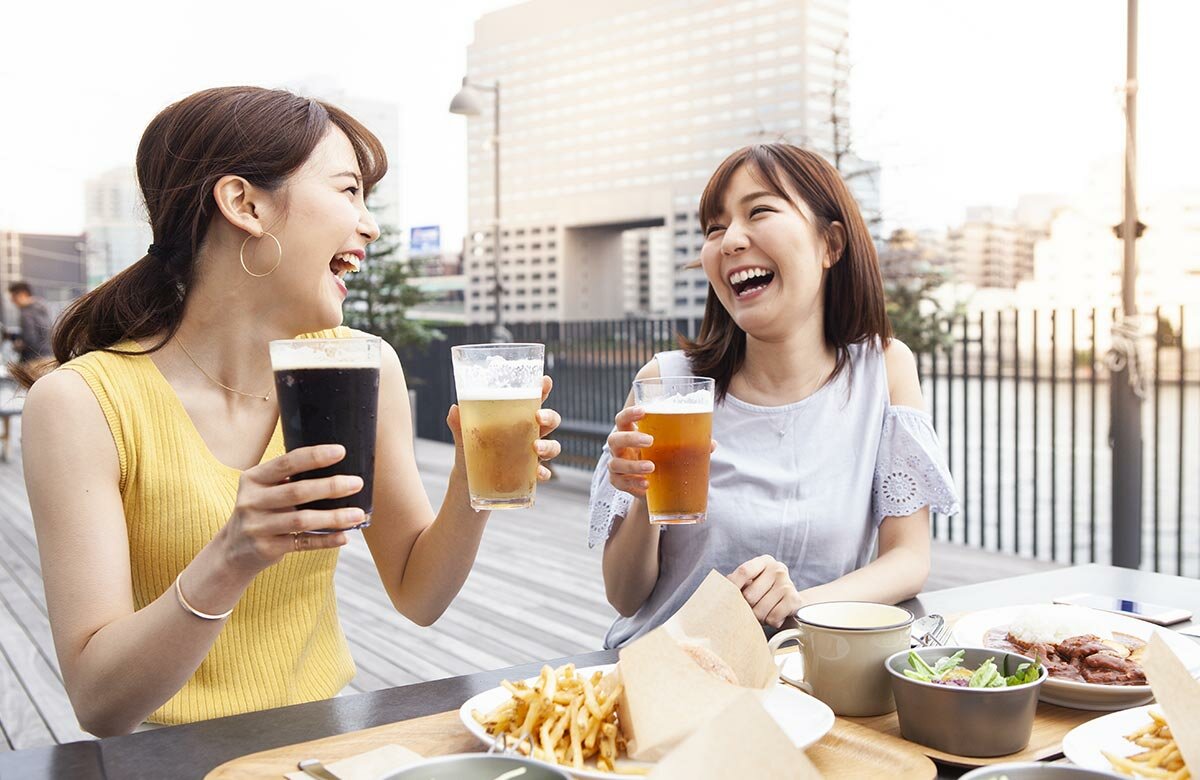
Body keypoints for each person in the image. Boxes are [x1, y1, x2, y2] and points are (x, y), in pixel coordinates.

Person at [19, 86, 563, 736]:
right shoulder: (80, 404)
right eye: (348, 191)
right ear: (244, 204)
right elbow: (100, 705)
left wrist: (473, 483)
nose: (370, 224)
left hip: (321, 748)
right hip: (161, 759)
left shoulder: (365, 365)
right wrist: (231, 558)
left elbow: (419, 595)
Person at [589, 144, 958, 649]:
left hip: (813, 676)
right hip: (666, 678)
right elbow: (626, 596)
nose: (730, 241)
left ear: (830, 244)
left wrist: (805, 606)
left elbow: (909, 559)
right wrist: (639, 500)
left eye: (758, 211)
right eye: (715, 229)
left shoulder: (886, 369)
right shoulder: (668, 383)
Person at [7, 281, 53, 363]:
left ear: (22, 294)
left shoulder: (26, 313)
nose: (12, 301)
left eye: (13, 297)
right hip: (48, 356)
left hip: (33, 360)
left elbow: (30, 339)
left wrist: (19, 345)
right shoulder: (42, 307)